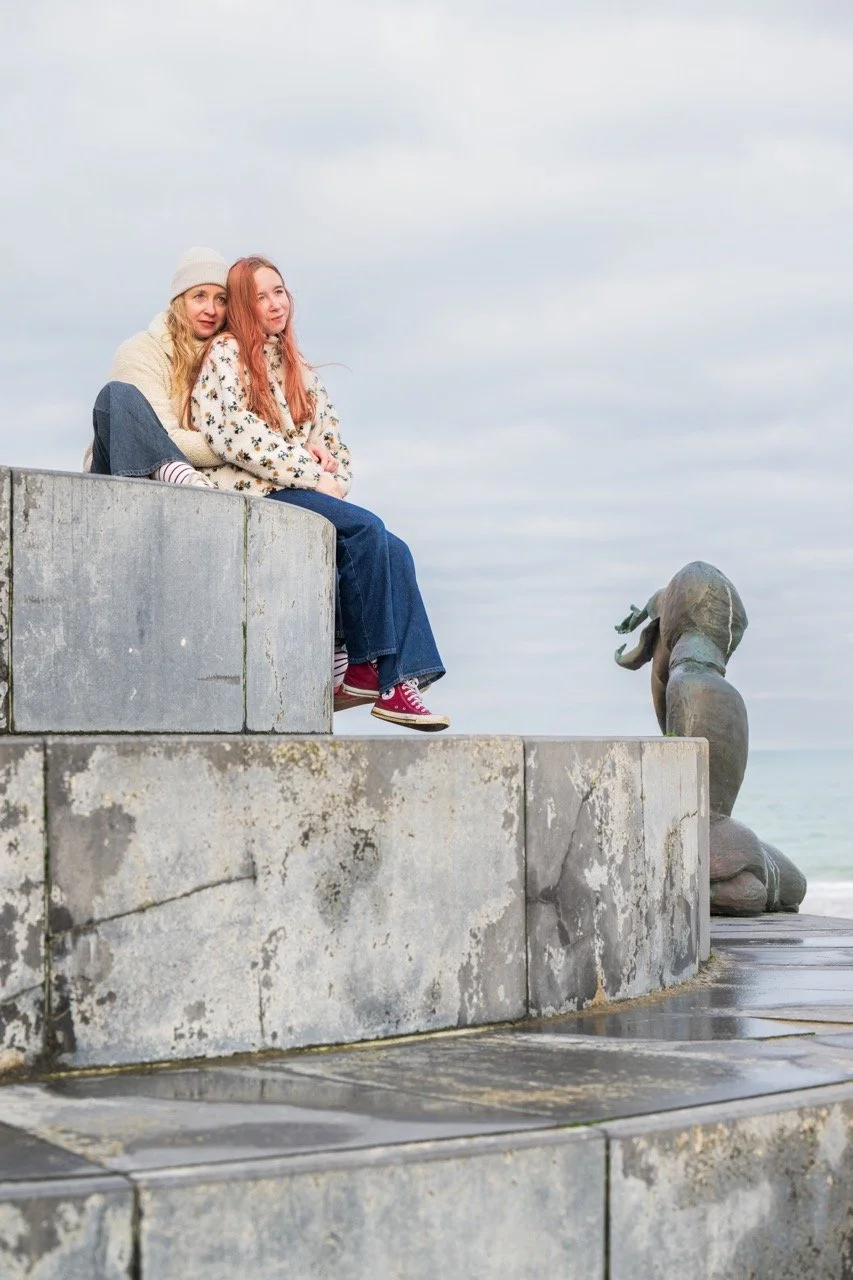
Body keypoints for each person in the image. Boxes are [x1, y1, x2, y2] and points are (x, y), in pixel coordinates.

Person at [188, 255, 450, 732]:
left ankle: (396, 684)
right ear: (244, 307)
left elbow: (336, 448)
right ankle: (369, 669)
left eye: (280, 292)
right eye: (260, 297)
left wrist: (328, 470)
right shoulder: (225, 354)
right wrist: (309, 468)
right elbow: (231, 433)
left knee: (395, 548)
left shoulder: (300, 369)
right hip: (251, 493)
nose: (274, 304)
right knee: (367, 529)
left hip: (298, 488)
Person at [88, 248, 229, 487]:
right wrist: (244, 448)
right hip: (116, 477)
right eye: (199, 296)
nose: (211, 310)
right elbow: (160, 437)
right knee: (117, 395)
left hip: (205, 483)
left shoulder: (229, 357)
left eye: (221, 299)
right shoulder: (140, 351)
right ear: (179, 301)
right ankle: (182, 477)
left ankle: (186, 482)